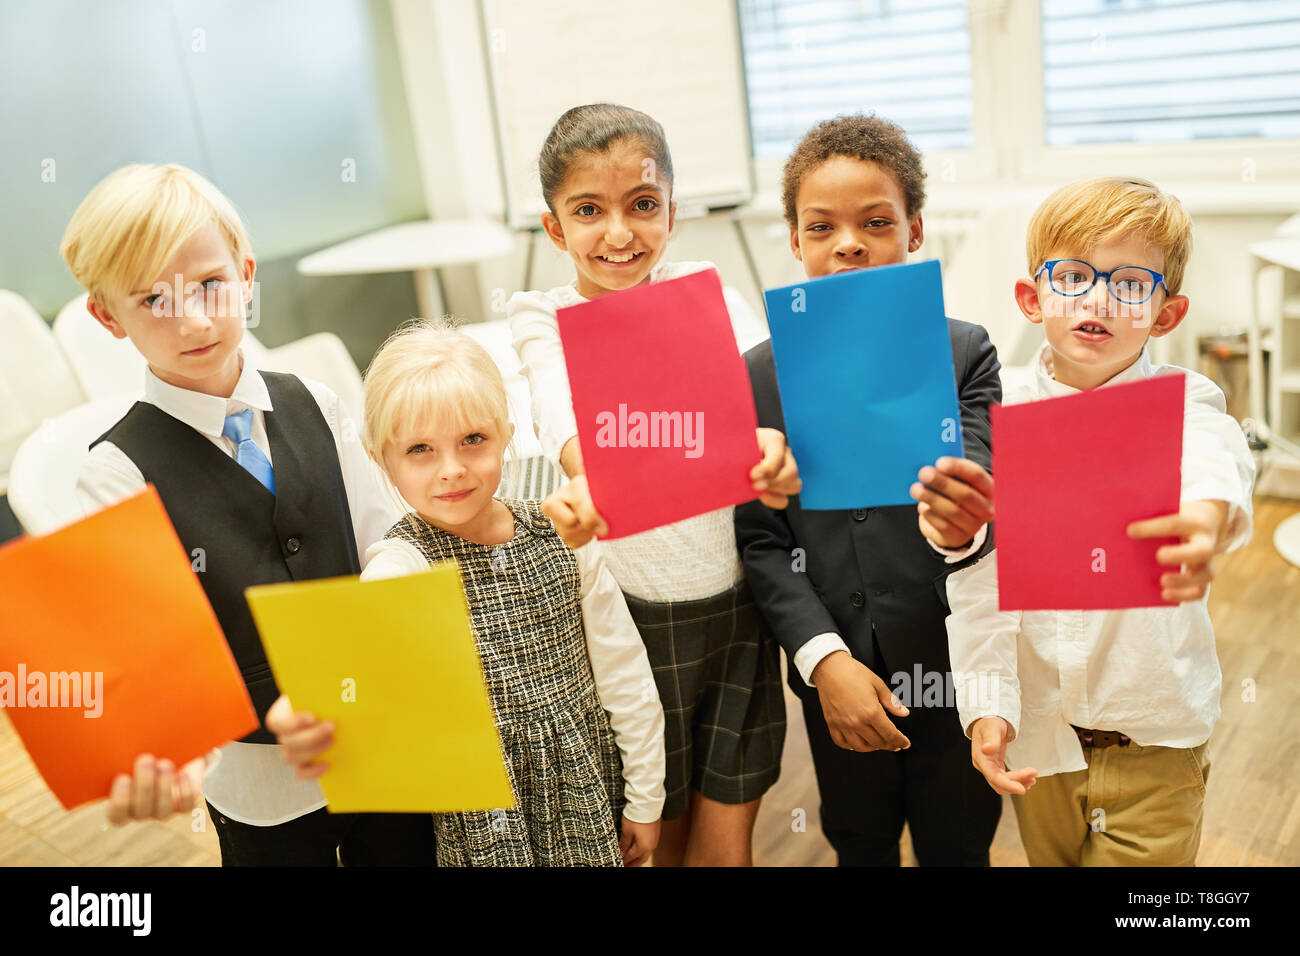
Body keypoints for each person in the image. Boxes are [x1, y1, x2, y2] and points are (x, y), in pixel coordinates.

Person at [64, 163, 433, 865]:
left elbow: (390, 537)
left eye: (210, 284)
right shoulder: (114, 476)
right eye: (154, 300)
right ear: (108, 316)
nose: (196, 319)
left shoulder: (317, 404)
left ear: (246, 274)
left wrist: (368, 624)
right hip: (261, 794)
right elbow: (153, 653)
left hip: (385, 743)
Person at [507, 103, 801, 866]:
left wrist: (770, 446)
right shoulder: (542, 315)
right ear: (554, 228)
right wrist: (584, 475)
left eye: (642, 207)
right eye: (588, 211)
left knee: (725, 847)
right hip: (629, 622)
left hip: (736, 608)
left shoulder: (707, 292)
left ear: (671, 209)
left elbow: (751, 415)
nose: (618, 233)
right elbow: (559, 412)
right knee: (652, 838)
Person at [946, 175, 1255, 866]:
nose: (1098, 299)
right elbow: (979, 587)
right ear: (1032, 299)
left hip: (1154, 744)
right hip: (1042, 742)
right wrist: (988, 705)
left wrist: (1206, 518)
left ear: (1165, 315)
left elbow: (1216, 460)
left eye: (1129, 284)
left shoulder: (1185, 403)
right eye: (1075, 276)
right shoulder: (1001, 416)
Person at [273, 321, 665, 866]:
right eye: (420, 450)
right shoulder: (403, 562)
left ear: (506, 433)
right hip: (485, 820)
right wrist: (306, 703)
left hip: (587, 790)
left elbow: (624, 671)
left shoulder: (564, 535)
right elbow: (353, 647)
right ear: (379, 456)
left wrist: (647, 799)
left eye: (472, 440)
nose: (451, 470)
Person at [734, 114, 1003, 866]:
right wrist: (825, 662)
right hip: (836, 666)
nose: (847, 242)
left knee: (958, 841)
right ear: (794, 240)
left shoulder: (965, 353)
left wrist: (962, 513)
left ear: (914, 230)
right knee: (857, 839)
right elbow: (760, 538)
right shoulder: (757, 376)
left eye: (875, 222)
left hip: (948, 659)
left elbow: (980, 504)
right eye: (821, 226)